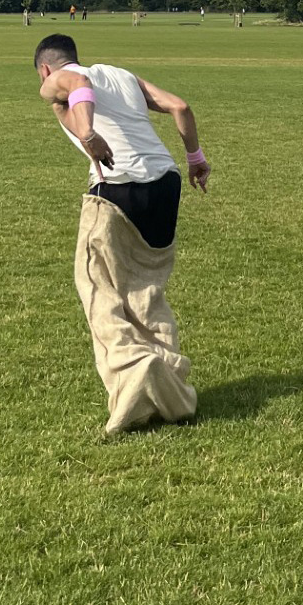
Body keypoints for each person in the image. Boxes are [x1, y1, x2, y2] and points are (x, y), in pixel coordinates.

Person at [33, 33, 211, 434]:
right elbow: (179, 106)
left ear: (45, 68)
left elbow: (78, 85)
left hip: (117, 186)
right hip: (165, 184)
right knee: (146, 291)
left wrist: (88, 134)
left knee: (97, 288)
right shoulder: (122, 76)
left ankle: (134, 370)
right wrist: (196, 158)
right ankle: (171, 389)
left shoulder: (55, 80)